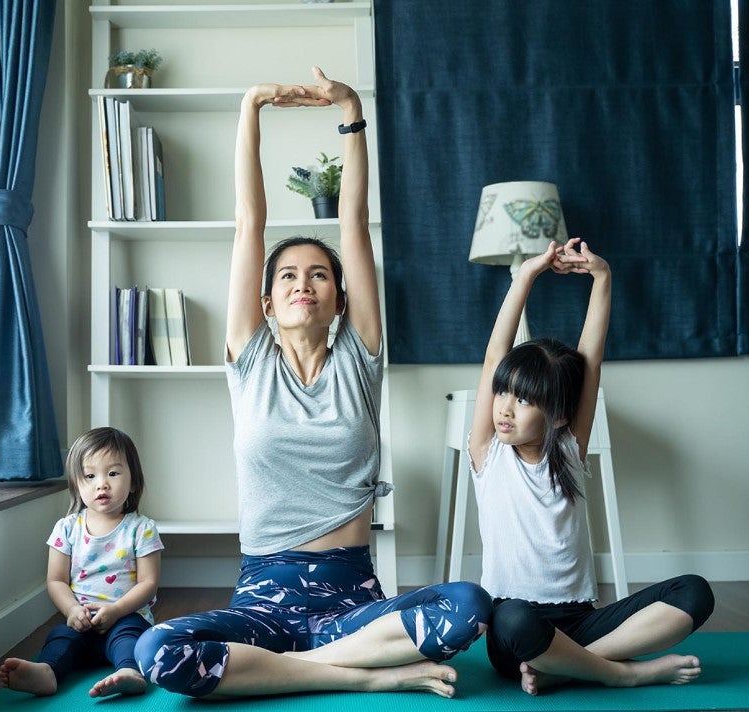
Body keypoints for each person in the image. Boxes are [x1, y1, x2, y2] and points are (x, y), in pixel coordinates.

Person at [134, 67, 492, 700]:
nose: (304, 283)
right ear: (267, 303)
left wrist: (351, 111)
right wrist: (250, 107)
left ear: (340, 300)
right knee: (157, 650)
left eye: (320, 275)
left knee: (469, 605)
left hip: (352, 599)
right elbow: (249, 224)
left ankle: (291, 672)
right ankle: (363, 677)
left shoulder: (359, 357)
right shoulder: (250, 360)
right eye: (288, 276)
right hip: (262, 601)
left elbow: (354, 224)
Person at [467, 238, 715, 695]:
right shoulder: (489, 452)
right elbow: (494, 355)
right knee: (512, 616)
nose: (504, 408)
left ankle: (569, 667)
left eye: (524, 400)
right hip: (517, 633)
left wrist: (602, 277)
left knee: (695, 591)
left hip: (580, 622)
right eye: (503, 393)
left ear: (560, 415)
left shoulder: (567, 450)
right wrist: (527, 275)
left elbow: (590, 360)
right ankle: (621, 672)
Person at [0, 427, 163, 698]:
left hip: (125, 617)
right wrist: (72, 610)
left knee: (132, 637)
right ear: (77, 484)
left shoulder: (141, 528)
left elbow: (149, 583)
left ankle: (129, 671)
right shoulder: (66, 528)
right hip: (82, 622)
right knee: (61, 638)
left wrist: (116, 610)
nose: (102, 484)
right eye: (90, 476)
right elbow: (56, 580)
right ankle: (47, 673)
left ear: (133, 482)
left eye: (113, 473)